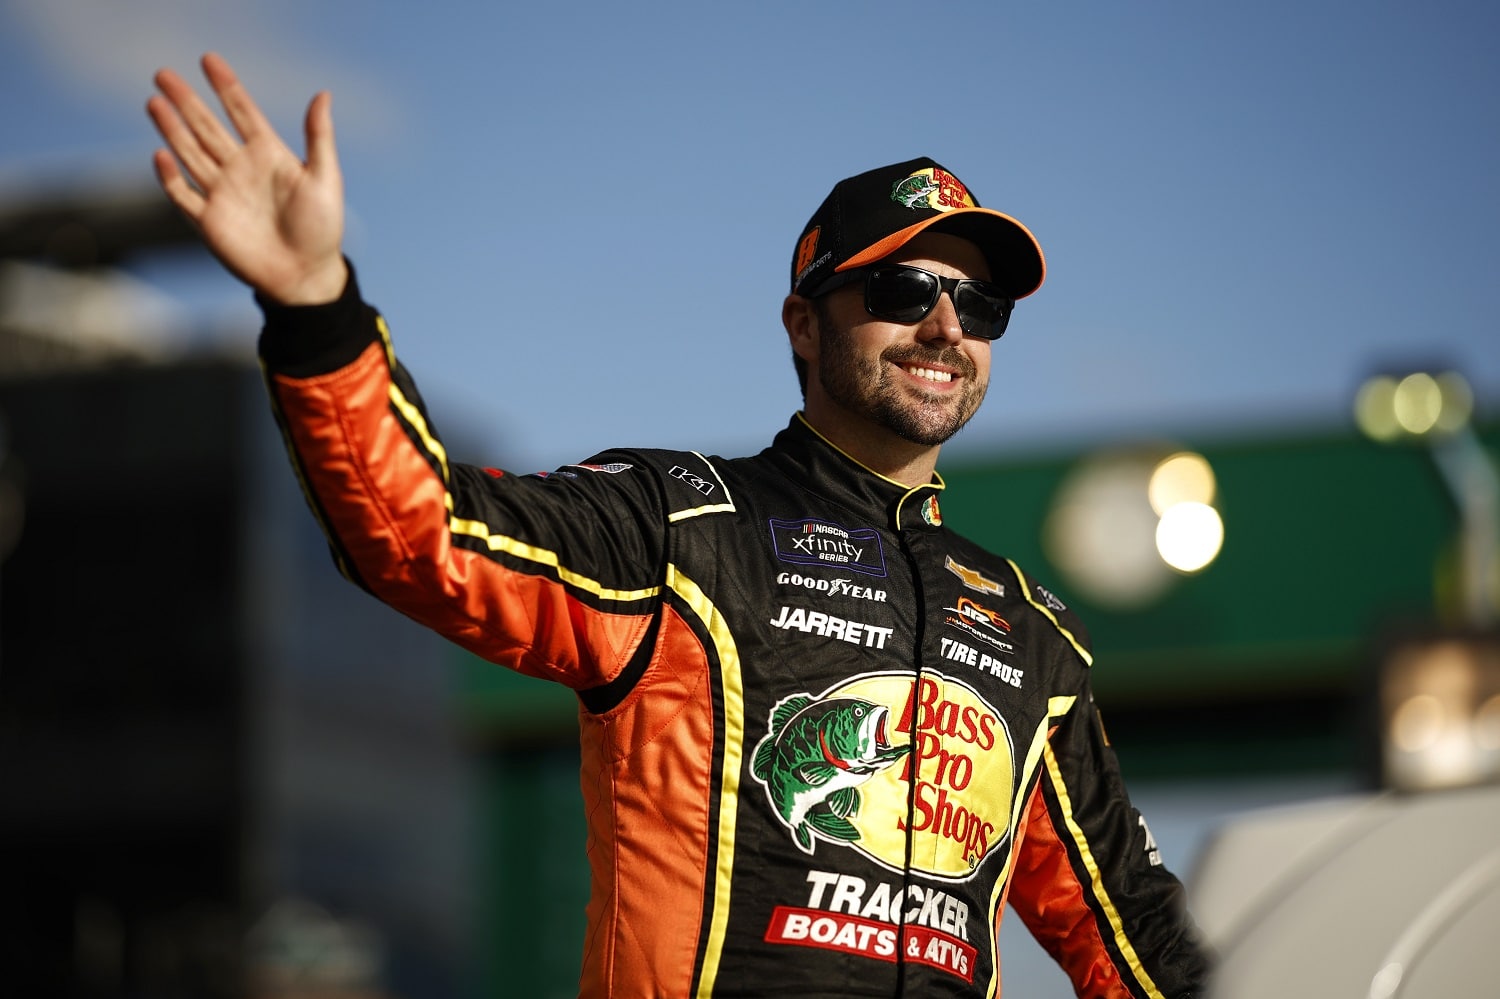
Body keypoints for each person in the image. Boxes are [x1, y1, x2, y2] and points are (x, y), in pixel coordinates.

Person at [147, 52, 1210, 999]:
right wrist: (314, 304)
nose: (946, 326)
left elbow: (1135, 937)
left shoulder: (1034, 637)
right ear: (805, 320)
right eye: (905, 288)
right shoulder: (679, 523)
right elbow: (420, 531)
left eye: (981, 307)